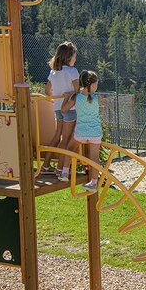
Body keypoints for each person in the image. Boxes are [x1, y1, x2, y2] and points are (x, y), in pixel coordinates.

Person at [40, 41, 79, 175]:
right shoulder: (72, 71)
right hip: (69, 108)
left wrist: (56, 98)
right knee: (66, 139)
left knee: (57, 136)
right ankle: (60, 168)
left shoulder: (54, 72)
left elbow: (47, 90)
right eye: (74, 55)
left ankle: (45, 165)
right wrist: (68, 96)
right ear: (69, 57)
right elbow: (77, 90)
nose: (75, 58)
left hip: (57, 108)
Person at [59, 70, 101, 191]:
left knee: (70, 149)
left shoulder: (76, 97)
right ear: (92, 85)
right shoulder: (97, 98)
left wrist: (66, 97)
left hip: (81, 132)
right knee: (94, 158)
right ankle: (93, 183)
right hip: (95, 133)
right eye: (96, 85)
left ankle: (65, 173)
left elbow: (63, 110)